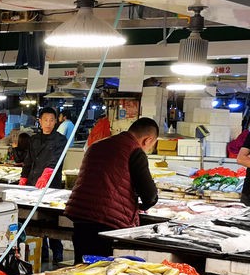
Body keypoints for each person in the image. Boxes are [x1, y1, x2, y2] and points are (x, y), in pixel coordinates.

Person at [64, 117, 160, 262]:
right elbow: (150, 195)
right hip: (107, 222)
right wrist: (142, 206)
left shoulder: (97, 145)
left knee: (81, 266)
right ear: (147, 140)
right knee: (100, 271)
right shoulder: (134, 151)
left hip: (80, 217)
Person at [22, 107, 68, 263]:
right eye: (45, 120)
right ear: (39, 121)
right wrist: (23, 179)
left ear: (56, 121)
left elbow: (55, 159)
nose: (48, 123)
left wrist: (46, 175)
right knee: (36, 221)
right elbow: (28, 161)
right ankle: (42, 254)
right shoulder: (34, 139)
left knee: (50, 219)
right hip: (33, 184)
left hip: (51, 185)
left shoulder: (61, 140)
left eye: (51, 120)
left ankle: (57, 253)